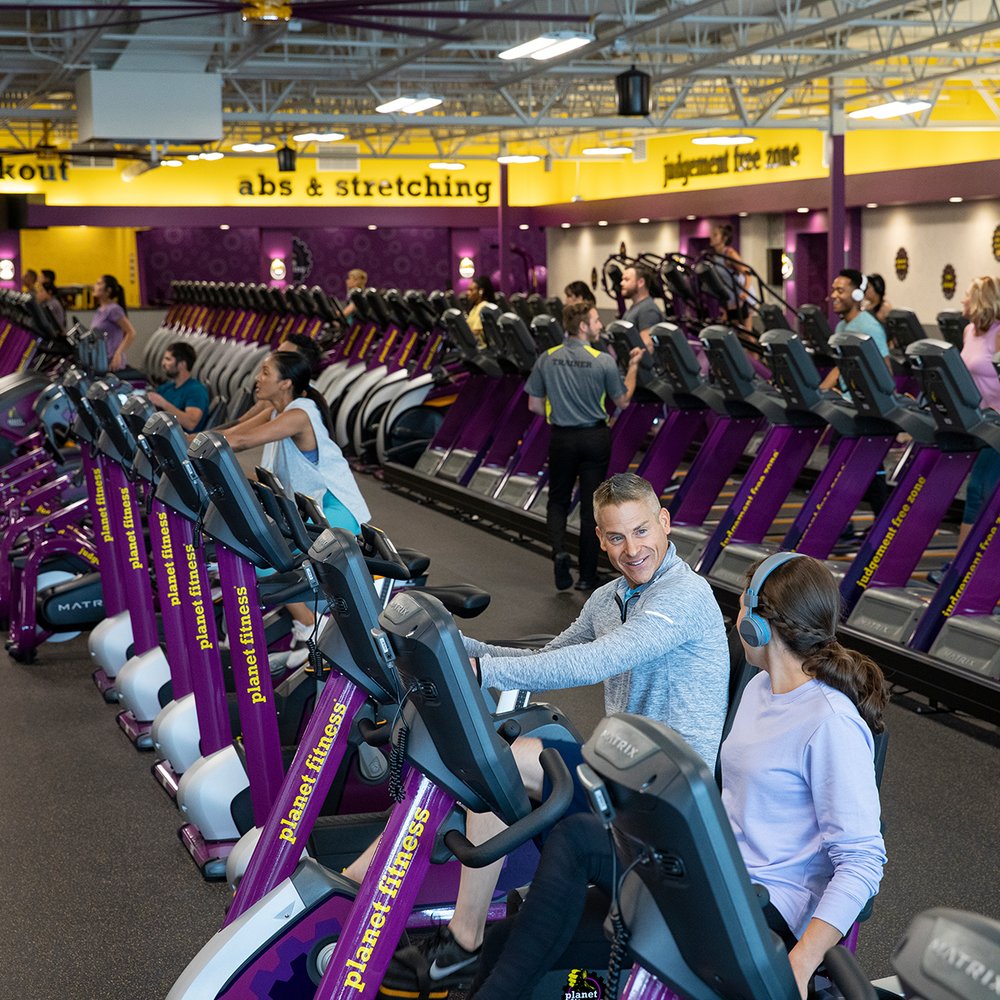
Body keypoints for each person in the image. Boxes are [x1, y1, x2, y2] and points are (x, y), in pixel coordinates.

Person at [364, 473, 730, 993]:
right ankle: (406, 906)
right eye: (617, 537)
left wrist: (483, 671)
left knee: (505, 760)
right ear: (599, 538)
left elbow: (598, 660)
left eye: (642, 531)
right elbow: (547, 658)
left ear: (665, 523)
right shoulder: (609, 597)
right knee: (496, 758)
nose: (633, 549)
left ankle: (463, 940)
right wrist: (452, 646)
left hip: (667, 802)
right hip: (621, 772)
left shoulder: (685, 595)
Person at [469, 552, 887, 1000]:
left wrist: (800, 963)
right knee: (503, 939)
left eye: (741, 607)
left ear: (758, 624)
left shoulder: (830, 722)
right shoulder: (759, 688)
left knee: (574, 848)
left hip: (756, 910)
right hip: (714, 878)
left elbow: (862, 862)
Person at [220, 351, 371, 660]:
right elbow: (233, 434)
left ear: (285, 383)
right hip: (310, 508)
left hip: (335, 510)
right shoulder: (279, 411)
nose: (258, 378)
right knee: (256, 550)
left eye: (265, 372)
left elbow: (242, 442)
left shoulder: (299, 414)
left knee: (265, 559)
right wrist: (184, 439)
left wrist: (190, 444)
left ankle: (310, 625)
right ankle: (301, 624)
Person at [526, 302, 642, 590]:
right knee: (592, 507)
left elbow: (534, 405)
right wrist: (634, 367)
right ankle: (587, 576)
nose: (600, 325)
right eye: (596, 320)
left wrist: (560, 411)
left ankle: (559, 552)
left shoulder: (547, 358)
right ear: (583, 326)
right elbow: (623, 400)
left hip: (562, 438)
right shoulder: (602, 360)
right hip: (594, 438)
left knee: (558, 500)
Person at [929, 276, 1000, 584]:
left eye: (968, 296)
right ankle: (962, 565)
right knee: (977, 493)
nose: (963, 301)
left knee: (980, 491)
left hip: (998, 425)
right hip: (981, 423)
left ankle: (966, 566)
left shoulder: (999, 333)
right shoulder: (970, 331)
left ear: (983, 300)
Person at [819, 269, 892, 392]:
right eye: (833, 290)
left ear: (857, 295)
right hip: (846, 397)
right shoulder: (841, 326)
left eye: (840, 291)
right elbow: (840, 367)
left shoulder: (869, 327)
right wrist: (820, 393)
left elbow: (886, 373)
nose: (833, 295)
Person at [146, 341, 210, 432]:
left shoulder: (196, 391)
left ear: (182, 364)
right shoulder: (167, 387)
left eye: (168, 359)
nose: (163, 363)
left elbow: (190, 423)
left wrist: (164, 404)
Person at [708, 221, 755, 328]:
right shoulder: (714, 256)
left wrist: (745, 293)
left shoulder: (729, 254)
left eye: (715, 235)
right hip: (730, 298)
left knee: (746, 332)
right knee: (734, 331)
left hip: (742, 296)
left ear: (724, 238)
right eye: (712, 235)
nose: (711, 237)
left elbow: (747, 273)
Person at [91, 274, 137, 372]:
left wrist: (118, 354)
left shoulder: (114, 309)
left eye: (99, 284)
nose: (94, 286)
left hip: (112, 363)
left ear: (108, 290)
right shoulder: (99, 310)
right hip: (102, 361)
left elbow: (131, 332)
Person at [619, 264, 664, 348]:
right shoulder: (635, 307)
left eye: (626, 280)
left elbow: (647, 347)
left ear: (641, 282)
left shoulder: (648, 310)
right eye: (622, 279)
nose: (621, 283)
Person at [466, 274, 496, 346]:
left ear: (481, 291)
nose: (467, 293)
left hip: (480, 348)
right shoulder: (475, 307)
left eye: (471, 290)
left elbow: (476, 332)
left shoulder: (483, 306)